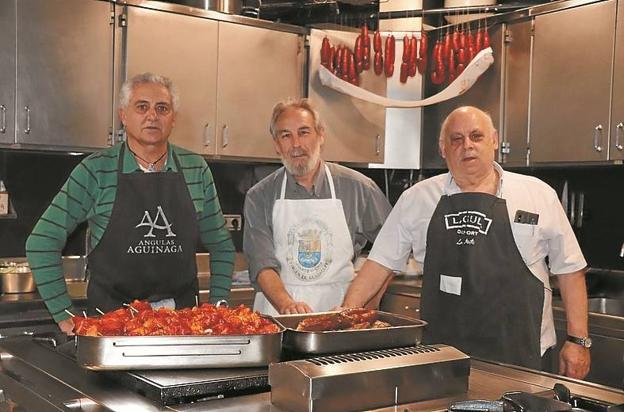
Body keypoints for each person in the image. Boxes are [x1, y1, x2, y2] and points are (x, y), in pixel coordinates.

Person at [341, 106, 590, 379]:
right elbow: (378, 265)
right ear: (442, 148)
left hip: (521, 350)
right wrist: (342, 321)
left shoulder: (537, 194)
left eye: (476, 136)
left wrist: (578, 341)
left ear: (494, 140)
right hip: (442, 352)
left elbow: (569, 269)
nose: (467, 146)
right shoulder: (418, 199)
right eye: (456, 139)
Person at [26, 73, 235, 335]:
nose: (152, 116)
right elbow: (41, 240)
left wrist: (216, 311)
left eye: (162, 108)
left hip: (182, 326)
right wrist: (65, 315)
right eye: (142, 106)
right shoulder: (95, 171)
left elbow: (222, 246)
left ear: (173, 119)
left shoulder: (196, 169)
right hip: (112, 326)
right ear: (123, 115)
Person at [243, 98, 392, 315]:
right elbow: (261, 265)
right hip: (279, 316)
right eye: (286, 135)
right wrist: (287, 304)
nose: (296, 144)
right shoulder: (259, 196)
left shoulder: (358, 188)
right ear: (276, 144)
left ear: (321, 135)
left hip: (342, 312)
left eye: (304, 132)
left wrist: (370, 300)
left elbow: (393, 248)